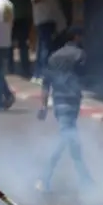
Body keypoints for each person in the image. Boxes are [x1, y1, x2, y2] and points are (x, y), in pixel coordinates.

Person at [36, 27, 93, 193]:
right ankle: (44, 178)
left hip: (58, 102)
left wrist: (43, 106)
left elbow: (46, 83)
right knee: (65, 139)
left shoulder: (54, 56)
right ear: (76, 37)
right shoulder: (80, 55)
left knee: (72, 141)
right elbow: (85, 79)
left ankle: (86, 180)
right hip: (72, 102)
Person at [30, 0, 66, 84]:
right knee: (45, 48)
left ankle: (39, 73)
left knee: (43, 48)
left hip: (50, 18)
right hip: (44, 19)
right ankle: (43, 74)